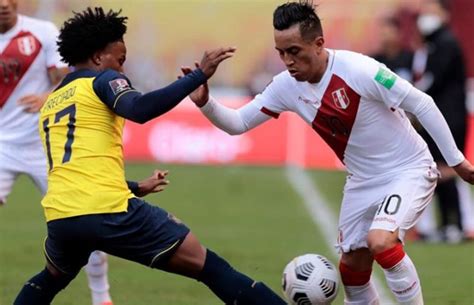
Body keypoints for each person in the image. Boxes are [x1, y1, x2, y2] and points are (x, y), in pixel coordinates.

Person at [182, 2, 474, 304]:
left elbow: (422, 103)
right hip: (362, 180)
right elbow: (238, 123)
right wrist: (206, 102)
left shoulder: (360, 69)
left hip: (407, 169)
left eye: (294, 51)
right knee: (351, 269)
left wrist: (457, 161)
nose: (287, 61)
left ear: (319, 43)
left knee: (382, 242)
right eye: (281, 53)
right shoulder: (285, 87)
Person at [13, 7, 287, 305]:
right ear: (97, 58)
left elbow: (75, 168)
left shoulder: (52, 102)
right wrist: (197, 76)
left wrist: (133, 187)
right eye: (120, 61)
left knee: (51, 278)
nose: (122, 70)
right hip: (108, 211)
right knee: (209, 266)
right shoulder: (103, 81)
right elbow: (140, 109)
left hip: (61, 217)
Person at [0, 1, 114, 304]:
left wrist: (47, 97)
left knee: (86, 218)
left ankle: (101, 297)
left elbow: (68, 78)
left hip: (46, 146)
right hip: (2, 145)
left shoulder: (42, 33)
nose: (2, 5)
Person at [414, 0, 471, 242]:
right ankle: (446, 225)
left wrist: (409, 98)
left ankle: (456, 224)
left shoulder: (446, 43)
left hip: (450, 117)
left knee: (448, 169)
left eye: (431, 11)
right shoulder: (432, 44)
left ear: (444, 14)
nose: (426, 16)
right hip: (439, 116)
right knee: (437, 169)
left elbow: (433, 80)